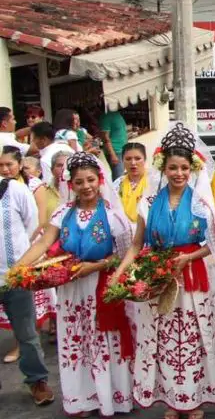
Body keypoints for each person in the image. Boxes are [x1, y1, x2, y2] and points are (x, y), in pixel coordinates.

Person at [111, 123, 215, 419]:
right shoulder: (148, 204)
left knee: (191, 339)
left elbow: (213, 245)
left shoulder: (201, 205)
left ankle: (194, 399)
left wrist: (188, 258)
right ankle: (173, 400)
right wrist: (119, 273)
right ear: (163, 168)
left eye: (184, 168)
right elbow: (136, 245)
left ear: (192, 170)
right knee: (161, 340)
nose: (179, 174)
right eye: (173, 167)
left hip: (190, 278)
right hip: (157, 276)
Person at [16, 152, 133, 416]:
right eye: (79, 182)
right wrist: (19, 269)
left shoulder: (114, 216)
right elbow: (44, 244)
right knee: (75, 341)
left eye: (90, 179)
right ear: (71, 184)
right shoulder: (62, 213)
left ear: (99, 179)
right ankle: (80, 397)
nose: (86, 186)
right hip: (71, 290)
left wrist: (97, 266)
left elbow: (126, 256)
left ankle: (109, 397)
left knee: (102, 342)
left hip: (101, 286)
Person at [0, 155, 55, 406]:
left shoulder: (16, 189)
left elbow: (33, 226)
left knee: (27, 334)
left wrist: (22, 265)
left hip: (14, 276)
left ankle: (38, 382)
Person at [113, 142, 150, 225]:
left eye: (137, 158)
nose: (133, 163)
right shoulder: (117, 184)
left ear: (145, 159)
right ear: (122, 160)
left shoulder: (154, 181)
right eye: (128, 159)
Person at [99, 110, 128, 179]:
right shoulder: (106, 117)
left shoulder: (117, 114)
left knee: (122, 176)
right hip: (115, 151)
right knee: (118, 177)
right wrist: (112, 154)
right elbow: (105, 138)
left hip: (123, 149)